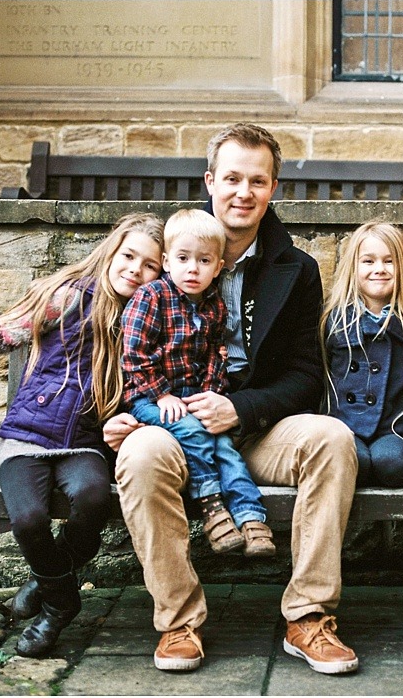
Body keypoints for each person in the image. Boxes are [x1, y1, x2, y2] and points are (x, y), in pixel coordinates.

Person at [102, 123, 359, 675]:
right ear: (210, 180)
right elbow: (103, 340)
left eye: (258, 180)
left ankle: (308, 616)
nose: (244, 192)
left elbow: (306, 374)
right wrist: (115, 417)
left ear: (272, 188)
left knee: (332, 438)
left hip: (257, 428)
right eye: (233, 178)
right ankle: (179, 622)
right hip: (175, 423)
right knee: (141, 455)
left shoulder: (297, 270)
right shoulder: (168, 256)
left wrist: (242, 408)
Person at [0, 213, 165, 658]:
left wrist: (133, 422)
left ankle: (46, 579)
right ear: (110, 251)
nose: (135, 270)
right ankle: (62, 602)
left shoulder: (149, 319)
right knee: (27, 520)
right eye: (129, 256)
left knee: (93, 499)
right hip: (26, 438)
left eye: (150, 266)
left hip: (86, 443)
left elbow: (151, 385)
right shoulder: (65, 297)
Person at [121, 209, 275, 557]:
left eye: (204, 261)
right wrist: (162, 395)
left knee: (226, 450)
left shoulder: (214, 306)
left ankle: (251, 518)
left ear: (218, 267)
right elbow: (133, 356)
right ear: (165, 261)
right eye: (183, 258)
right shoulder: (151, 297)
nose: (193, 268)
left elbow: (215, 356)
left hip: (193, 397)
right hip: (149, 397)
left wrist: (209, 392)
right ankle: (212, 510)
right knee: (194, 433)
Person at [320, 220, 403, 488]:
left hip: (393, 429)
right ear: (354, 267)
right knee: (353, 462)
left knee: (392, 464)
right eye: (369, 261)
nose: (379, 270)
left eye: (389, 261)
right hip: (346, 426)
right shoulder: (335, 320)